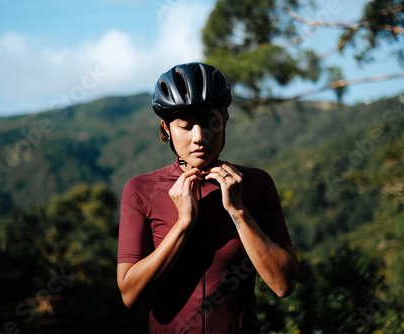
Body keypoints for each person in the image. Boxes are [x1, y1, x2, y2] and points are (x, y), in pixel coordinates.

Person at [117, 62, 298, 333]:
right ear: (166, 129)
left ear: (224, 118)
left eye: (209, 122)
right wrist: (183, 224)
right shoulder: (141, 190)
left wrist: (239, 212)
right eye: (186, 126)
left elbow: (283, 284)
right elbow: (131, 295)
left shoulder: (256, 184)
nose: (199, 137)